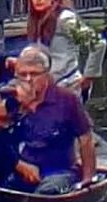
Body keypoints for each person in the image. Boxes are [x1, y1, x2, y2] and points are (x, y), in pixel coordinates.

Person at [7, 46, 98, 193]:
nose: (28, 79)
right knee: (4, 186)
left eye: (34, 74)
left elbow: (85, 138)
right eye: (23, 75)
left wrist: (88, 178)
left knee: (48, 191)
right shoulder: (12, 98)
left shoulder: (67, 99)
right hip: (25, 167)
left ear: (46, 75)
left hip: (60, 170)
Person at [23, 0, 103, 92]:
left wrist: (89, 76)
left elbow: (97, 43)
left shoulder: (65, 18)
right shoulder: (38, 21)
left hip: (68, 85)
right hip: (47, 88)